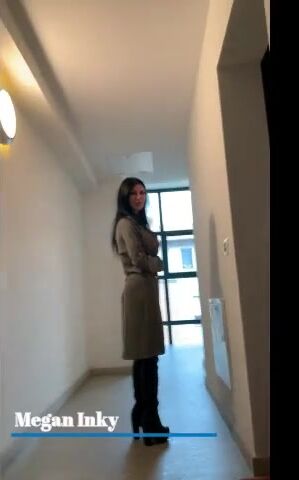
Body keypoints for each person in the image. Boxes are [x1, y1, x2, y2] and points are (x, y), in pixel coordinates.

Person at [111, 177, 169, 446]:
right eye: (133, 193)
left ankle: (142, 416)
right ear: (125, 197)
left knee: (146, 358)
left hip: (145, 290)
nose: (139, 197)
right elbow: (139, 259)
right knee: (147, 358)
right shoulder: (126, 223)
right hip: (139, 292)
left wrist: (152, 262)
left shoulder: (137, 223)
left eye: (142, 192)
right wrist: (159, 263)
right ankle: (150, 422)